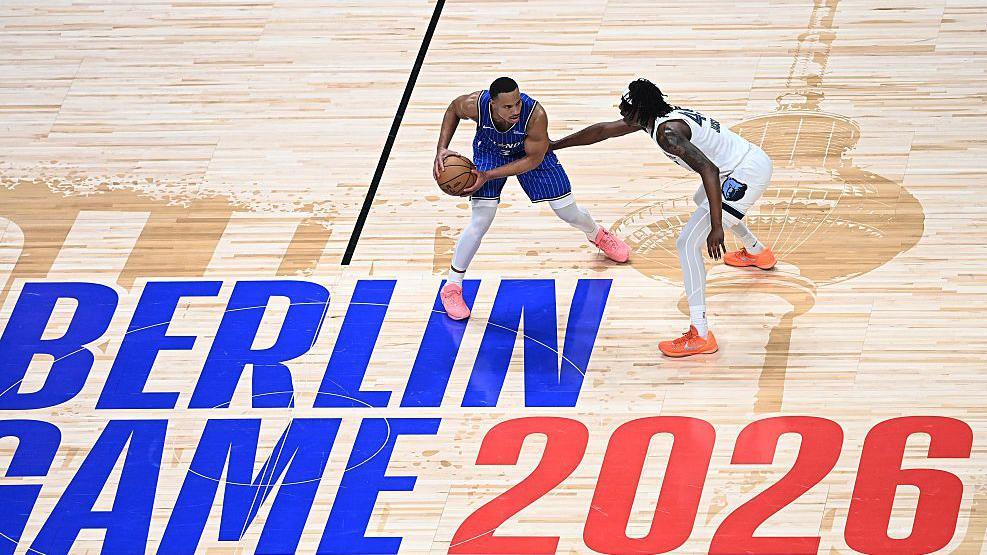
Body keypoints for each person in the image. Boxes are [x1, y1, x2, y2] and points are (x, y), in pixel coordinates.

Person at [551, 78, 777, 357]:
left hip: (743, 174)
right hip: (744, 161)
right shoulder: (655, 115)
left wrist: (717, 227)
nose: (621, 112)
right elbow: (603, 131)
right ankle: (757, 251)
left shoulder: (667, 133)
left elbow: (709, 171)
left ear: (640, 111)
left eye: (626, 108)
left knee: (687, 244)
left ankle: (701, 334)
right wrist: (554, 145)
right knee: (700, 200)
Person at [433, 76, 630, 320]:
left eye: (517, 103)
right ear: (492, 103)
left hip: (530, 155)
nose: (515, 110)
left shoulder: (535, 116)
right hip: (490, 151)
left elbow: (532, 160)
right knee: (480, 221)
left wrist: (487, 175)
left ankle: (597, 235)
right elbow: (453, 108)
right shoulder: (474, 104)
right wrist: (442, 148)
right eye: (507, 106)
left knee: (567, 211)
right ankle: (452, 286)